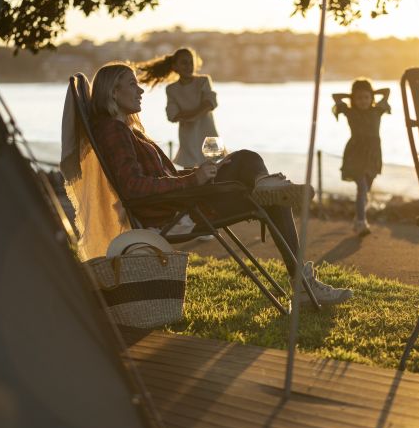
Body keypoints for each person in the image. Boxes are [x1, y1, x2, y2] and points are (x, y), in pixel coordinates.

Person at [89, 62, 353, 306]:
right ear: (113, 92)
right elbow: (134, 187)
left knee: (264, 187)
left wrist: (200, 172)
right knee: (249, 162)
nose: (141, 90)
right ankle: (303, 284)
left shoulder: (127, 130)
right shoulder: (114, 131)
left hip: (183, 205)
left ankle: (269, 191)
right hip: (176, 215)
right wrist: (195, 179)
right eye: (133, 84)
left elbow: (157, 180)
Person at [137, 48, 219, 168]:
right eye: (184, 62)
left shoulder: (203, 81)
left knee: (214, 173)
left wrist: (187, 116)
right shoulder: (171, 89)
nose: (189, 66)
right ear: (175, 67)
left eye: (191, 62)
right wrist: (194, 114)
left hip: (209, 135)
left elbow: (210, 103)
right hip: (188, 137)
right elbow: (172, 116)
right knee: (190, 176)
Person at [332, 79, 391, 237]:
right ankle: (361, 222)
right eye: (359, 98)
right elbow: (335, 96)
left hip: (373, 153)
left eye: (366, 97)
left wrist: (371, 93)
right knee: (362, 188)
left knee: (366, 190)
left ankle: (358, 217)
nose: (363, 101)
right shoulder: (350, 112)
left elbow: (386, 91)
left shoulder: (377, 110)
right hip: (355, 153)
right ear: (353, 99)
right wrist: (352, 95)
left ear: (371, 98)